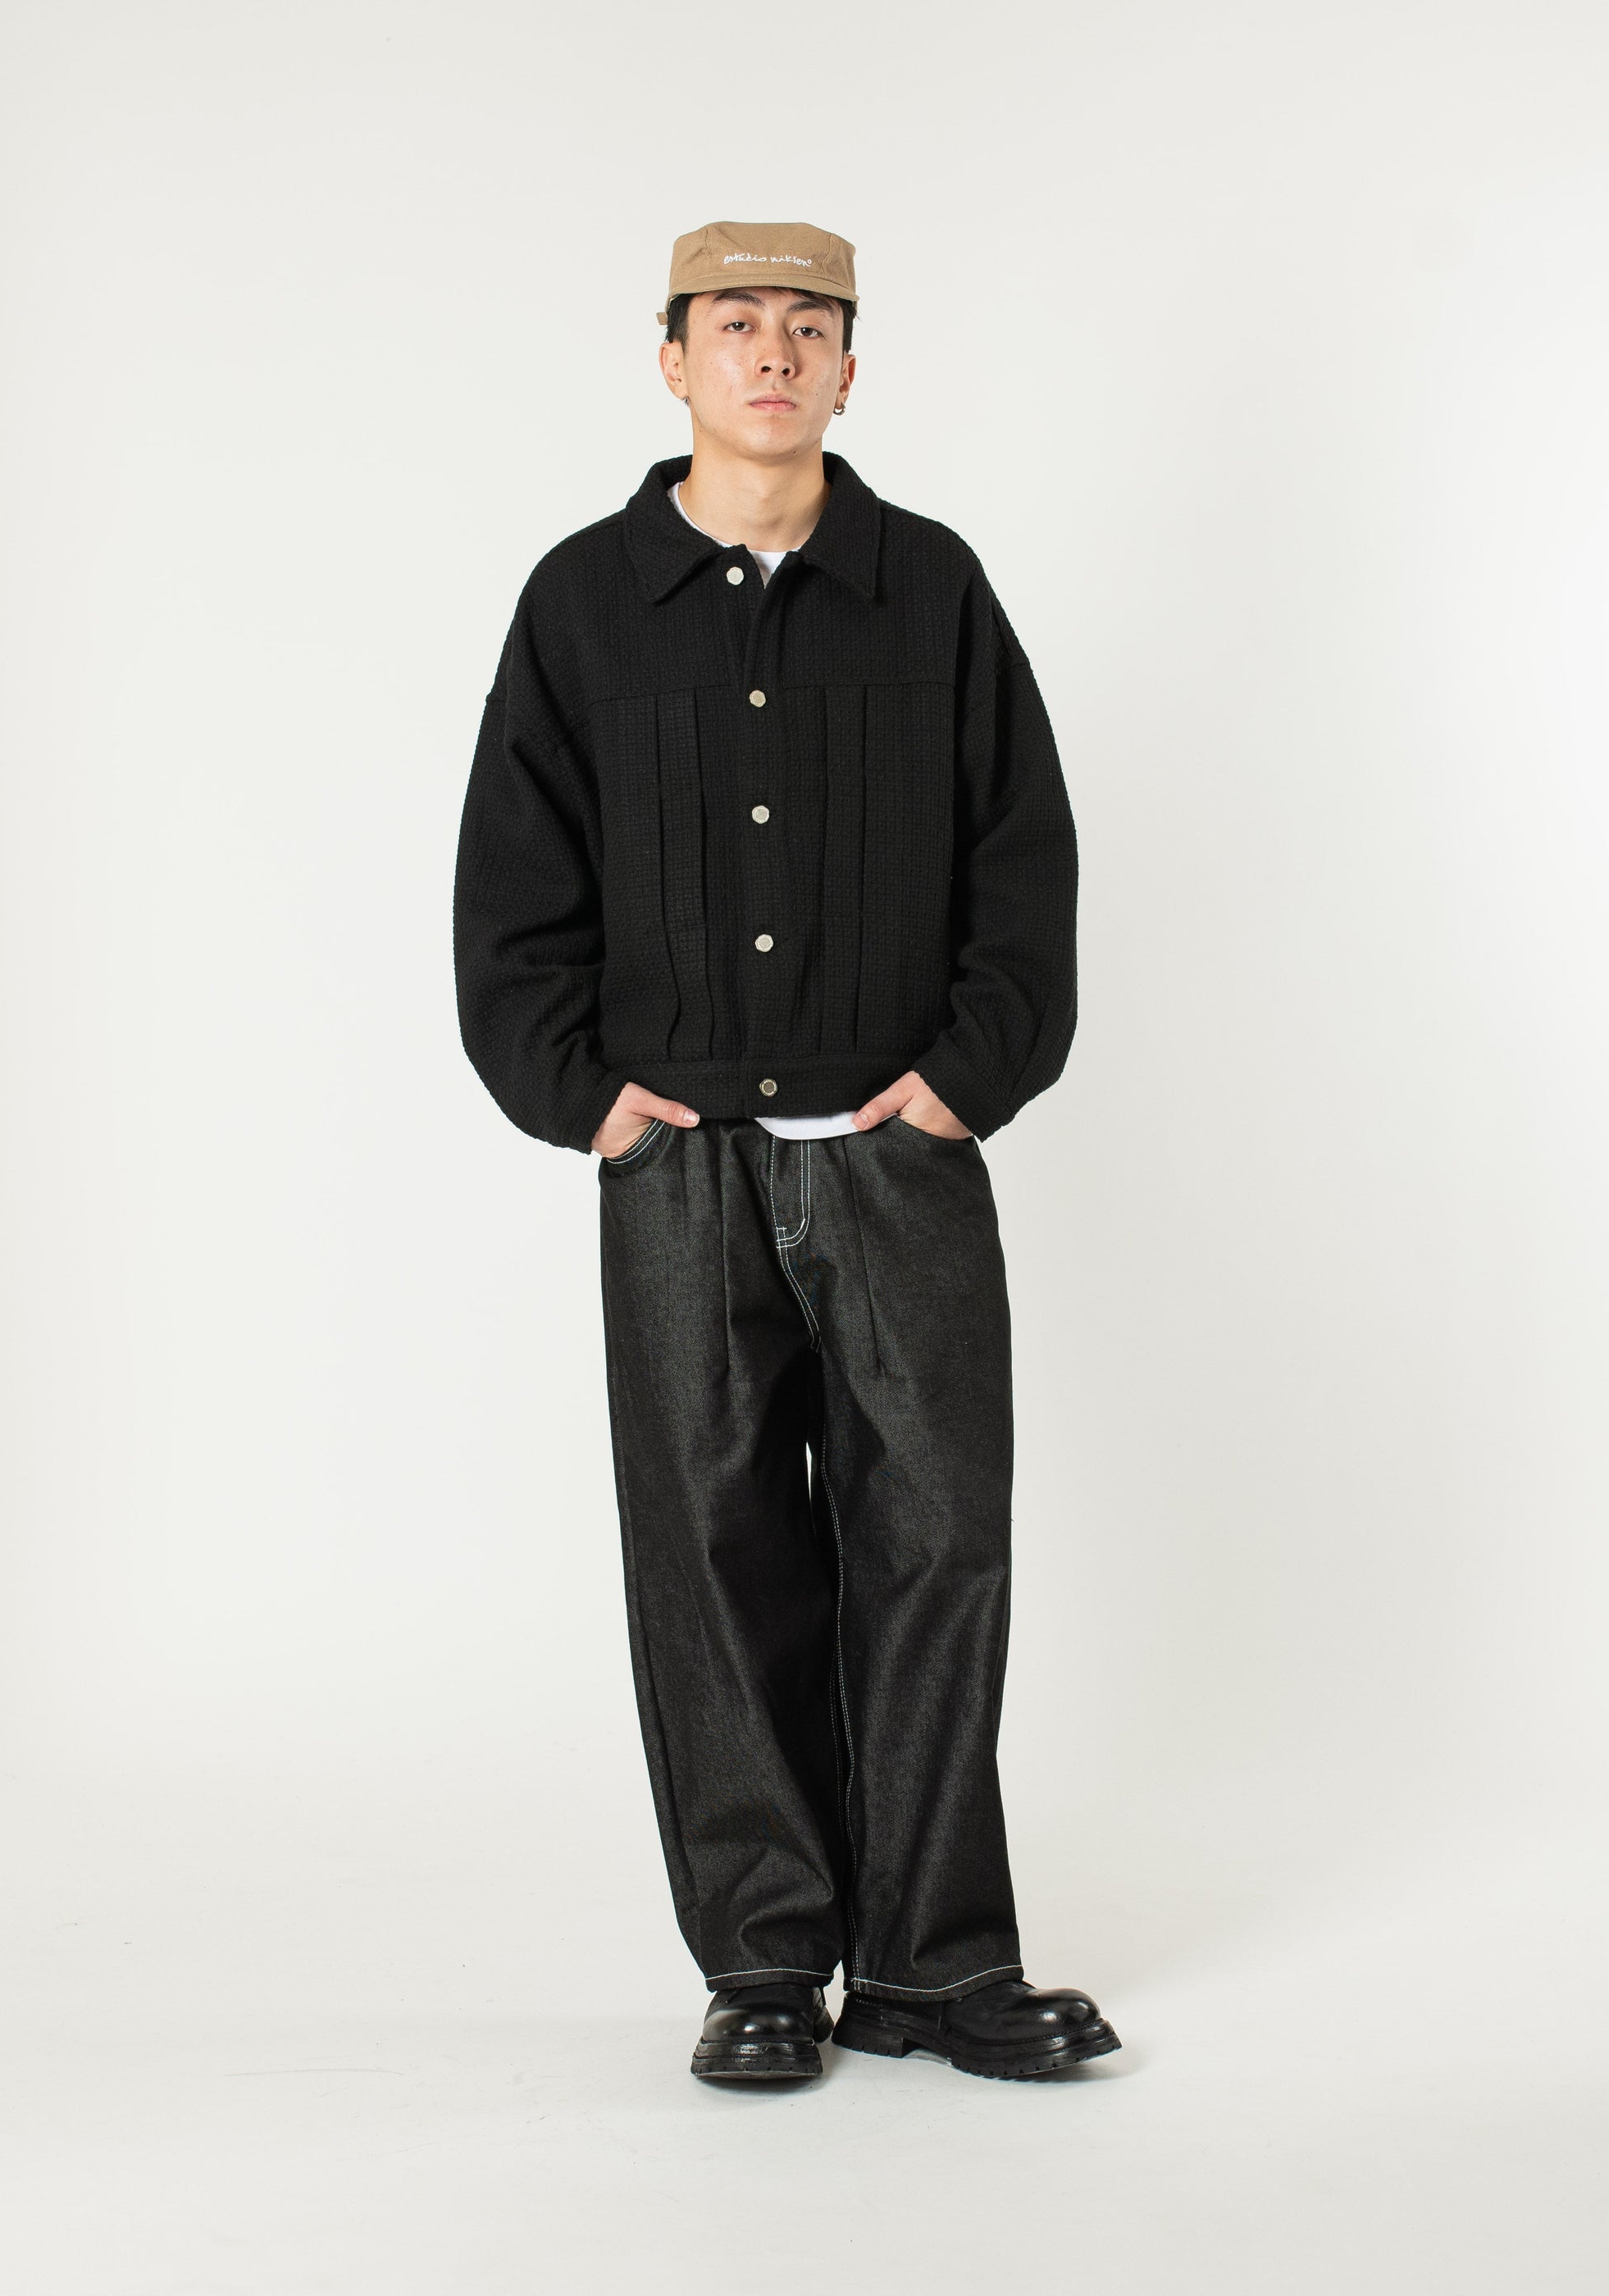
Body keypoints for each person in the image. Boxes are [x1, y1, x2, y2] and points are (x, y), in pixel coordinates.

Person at [454, 220, 1121, 2084]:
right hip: (679, 1163)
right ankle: (763, 1962)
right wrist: (579, 1093)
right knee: (713, 1551)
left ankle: (933, 1963)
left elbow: (1024, 859)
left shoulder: (933, 589)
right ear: (673, 360)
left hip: (894, 1150)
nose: (773, 354)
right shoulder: (583, 603)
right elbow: (511, 880)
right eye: (735, 323)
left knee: (938, 1543)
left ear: (848, 366)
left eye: (808, 327)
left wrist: (966, 1077)